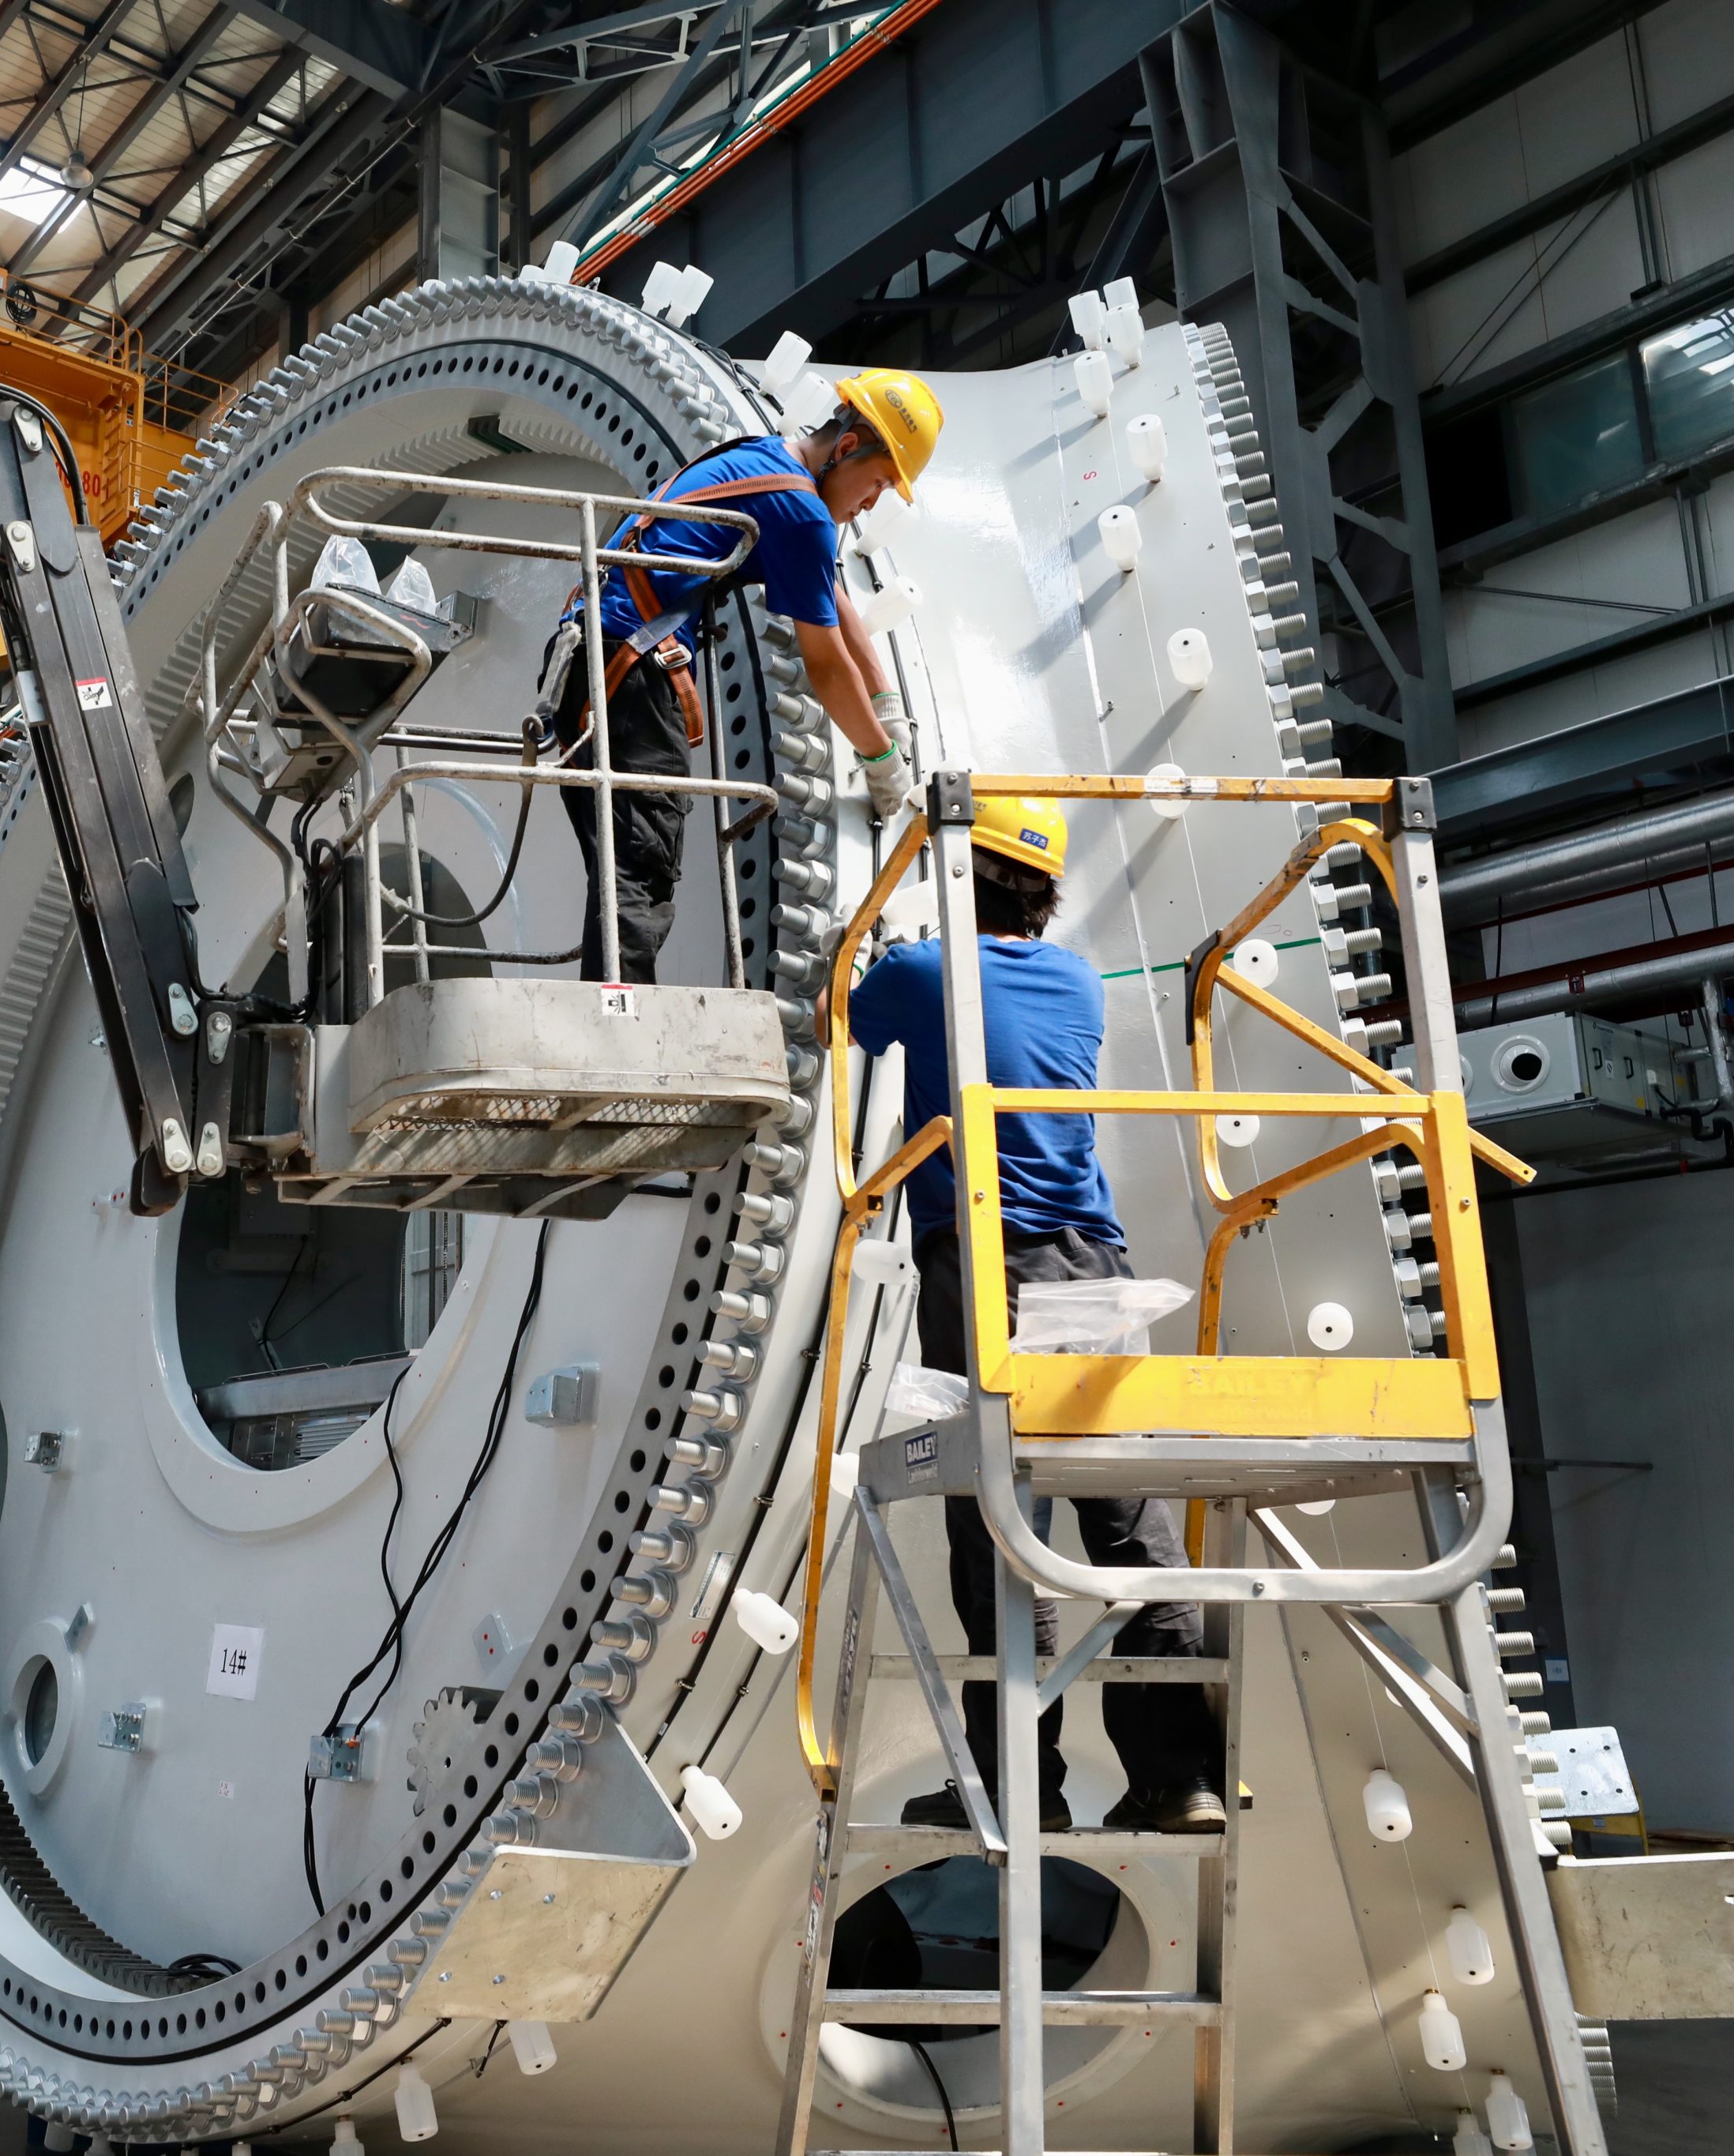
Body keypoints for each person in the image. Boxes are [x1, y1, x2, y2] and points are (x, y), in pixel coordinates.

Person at [844, 794, 1225, 1835]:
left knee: (1001, 1532)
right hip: (1092, 1263)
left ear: (959, 876)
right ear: (1046, 890)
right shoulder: (1080, 980)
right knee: (1128, 1526)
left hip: (983, 1266)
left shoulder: (921, 974)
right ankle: (1175, 1777)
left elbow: (844, 1012)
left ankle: (1017, 1785)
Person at [543, 369, 945, 983]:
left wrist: (885, 694)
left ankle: (610, 1012)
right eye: (879, 482)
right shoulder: (802, 510)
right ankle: (618, 1027)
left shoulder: (762, 461)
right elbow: (825, 665)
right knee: (638, 864)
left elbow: (831, 593)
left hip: (587, 661)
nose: (871, 503)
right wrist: (880, 756)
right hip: (633, 678)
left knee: (623, 861)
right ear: (846, 448)